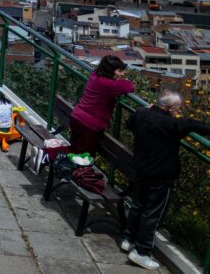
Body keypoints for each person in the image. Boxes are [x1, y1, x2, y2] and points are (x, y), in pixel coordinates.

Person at [121, 89, 210, 270]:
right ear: (170, 108)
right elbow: (194, 125)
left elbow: (128, 123)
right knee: (153, 214)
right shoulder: (172, 125)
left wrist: (146, 110)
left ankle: (129, 239)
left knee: (138, 205)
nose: (180, 112)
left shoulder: (142, 114)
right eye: (178, 108)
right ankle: (142, 252)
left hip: (140, 170)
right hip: (161, 176)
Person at [68, 55, 134, 154]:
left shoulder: (94, 75)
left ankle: (48, 155)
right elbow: (129, 86)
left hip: (78, 117)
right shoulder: (108, 85)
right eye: (119, 71)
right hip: (89, 125)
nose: (123, 74)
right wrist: (119, 80)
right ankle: (47, 154)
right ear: (110, 71)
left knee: (74, 151)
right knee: (82, 158)